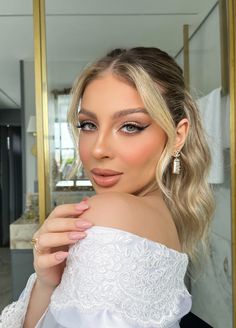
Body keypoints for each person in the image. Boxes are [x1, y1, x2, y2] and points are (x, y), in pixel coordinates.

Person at [0, 47, 214, 328]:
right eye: (88, 124)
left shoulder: (112, 212)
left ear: (177, 135)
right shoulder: (166, 215)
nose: (98, 149)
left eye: (130, 126)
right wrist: (47, 282)